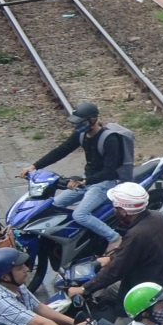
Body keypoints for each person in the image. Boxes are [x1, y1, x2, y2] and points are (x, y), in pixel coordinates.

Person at [28, 100, 134, 246]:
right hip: (87, 180)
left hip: (105, 183)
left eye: (81, 123)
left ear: (93, 119)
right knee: (54, 205)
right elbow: (62, 150)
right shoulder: (82, 134)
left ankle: (114, 238)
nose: (78, 126)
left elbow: (110, 172)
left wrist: (85, 181)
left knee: (80, 214)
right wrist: (35, 166)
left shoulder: (110, 139)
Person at [72, 183, 163, 312]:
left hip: (152, 295)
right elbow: (133, 251)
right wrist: (110, 258)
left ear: (123, 211)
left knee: (108, 294)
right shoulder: (156, 216)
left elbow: (115, 271)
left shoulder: (136, 234)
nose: (114, 210)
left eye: (115, 207)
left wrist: (84, 289)